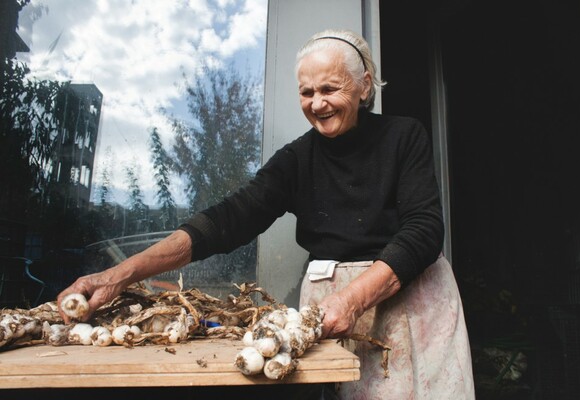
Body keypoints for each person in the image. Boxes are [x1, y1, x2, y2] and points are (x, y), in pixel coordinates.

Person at [57, 29, 474, 399]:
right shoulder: (296, 160)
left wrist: (353, 297)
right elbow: (224, 222)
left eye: (330, 88)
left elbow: (424, 229)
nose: (317, 103)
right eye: (306, 92)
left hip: (406, 299)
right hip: (330, 312)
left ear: (364, 86)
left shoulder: (404, 136)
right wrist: (117, 276)